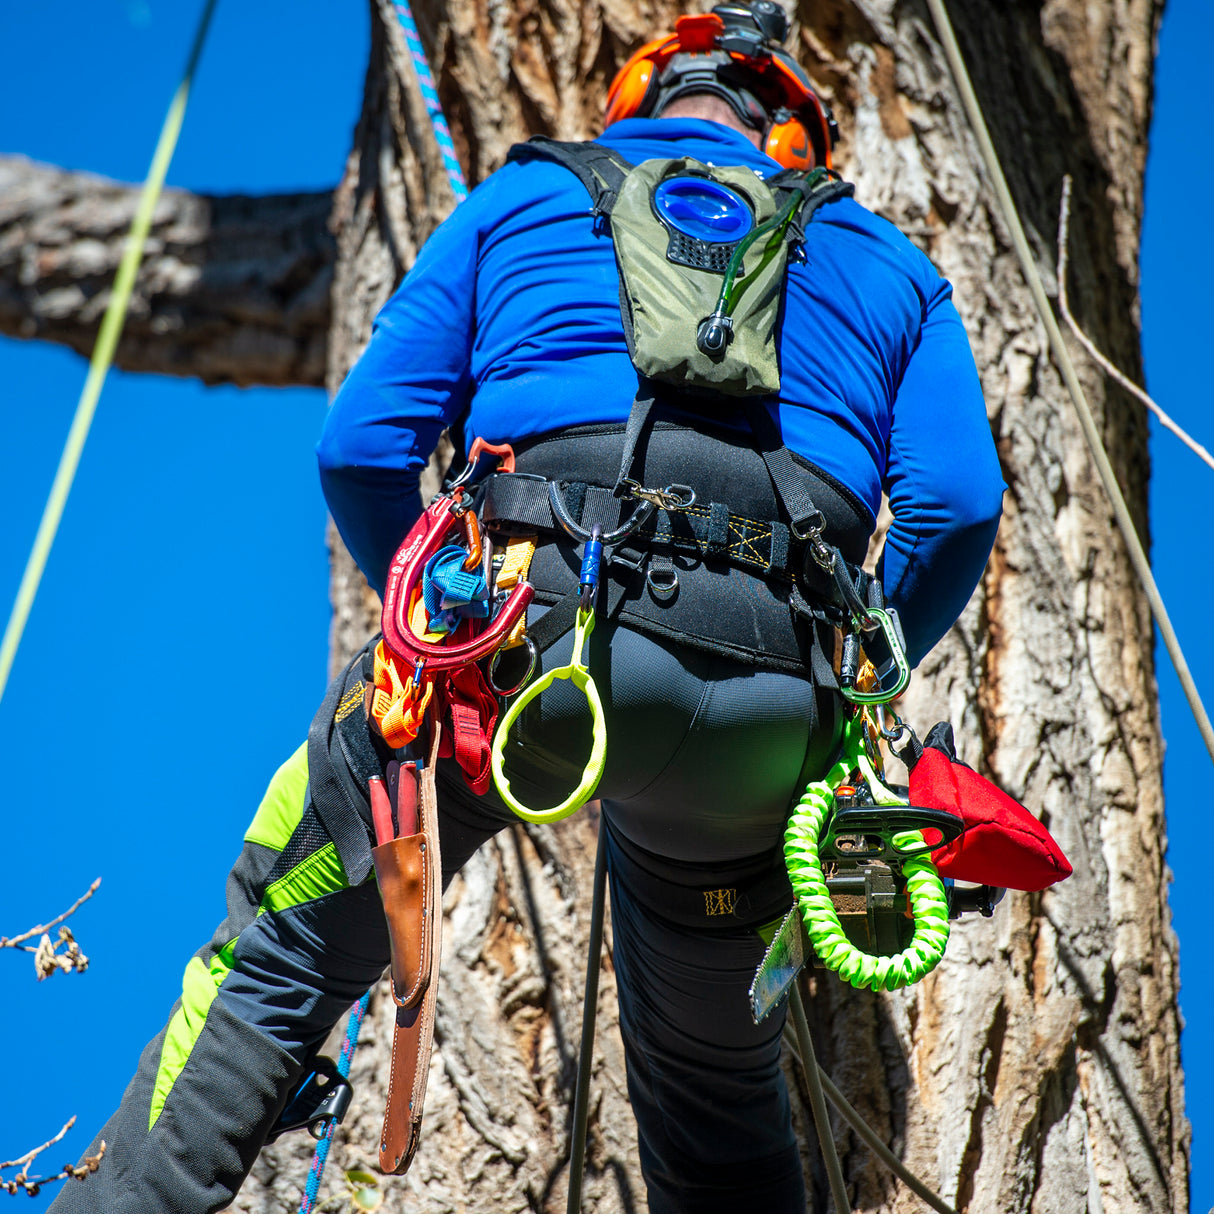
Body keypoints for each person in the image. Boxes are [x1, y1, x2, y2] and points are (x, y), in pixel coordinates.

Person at [51, 5, 1004, 1212]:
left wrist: (438, 617)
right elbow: (959, 501)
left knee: (285, 951)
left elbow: (358, 443)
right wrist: (856, 663)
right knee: (715, 1094)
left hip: (524, 642)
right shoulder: (888, 261)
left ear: (638, 109)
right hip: (774, 715)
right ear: (792, 137)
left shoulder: (529, 197)